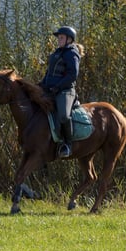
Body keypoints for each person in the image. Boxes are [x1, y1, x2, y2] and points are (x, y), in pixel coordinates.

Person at [39, 25, 81, 158]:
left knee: (63, 115)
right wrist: (41, 85)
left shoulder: (72, 53)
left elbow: (72, 75)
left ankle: (67, 144)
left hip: (65, 91)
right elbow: (49, 73)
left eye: (61, 37)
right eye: (59, 38)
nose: (59, 40)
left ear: (69, 39)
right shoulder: (57, 53)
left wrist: (57, 87)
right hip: (50, 90)